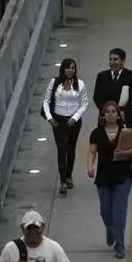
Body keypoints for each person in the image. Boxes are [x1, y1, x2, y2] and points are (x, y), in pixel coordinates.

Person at [87, 101, 132, 258]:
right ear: (103, 115)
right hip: (104, 176)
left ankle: (120, 245)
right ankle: (110, 229)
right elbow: (92, 152)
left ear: (119, 115)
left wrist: (125, 153)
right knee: (105, 211)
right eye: (108, 111)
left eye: (113, 111)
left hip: (122, 175)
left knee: (119, 212)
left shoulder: (126, 132)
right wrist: (90, 167)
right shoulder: (96, 133)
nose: (111, 114)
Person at [42, 58, 90, 196]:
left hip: (74, 121)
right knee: (61, 149)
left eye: (73, 68)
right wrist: (49, 118)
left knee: (71, 148)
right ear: (63, 69)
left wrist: (75, 118)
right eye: (68, 68)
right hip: (58, 120)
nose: (71, 70)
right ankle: (63, 181)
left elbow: (85, 103)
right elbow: (46, 101)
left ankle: (69, 175)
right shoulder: (55, 82)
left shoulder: (80, 84)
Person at [0, 210, 74, 262]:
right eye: (29, 228)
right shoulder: (11, 248)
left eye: (36, 228)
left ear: (43, 227)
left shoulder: (54, 247)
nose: (33, 232)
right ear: (22, 228)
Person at [93, 48, 132, 127]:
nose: (112, 62)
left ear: (123, 60)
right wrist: (107, 111)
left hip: (124, 117)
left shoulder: (131, 76)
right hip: (106, 118)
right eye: (110, 59)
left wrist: (122, 111)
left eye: (115, 59)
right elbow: (97, 97)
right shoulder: (102, 76)